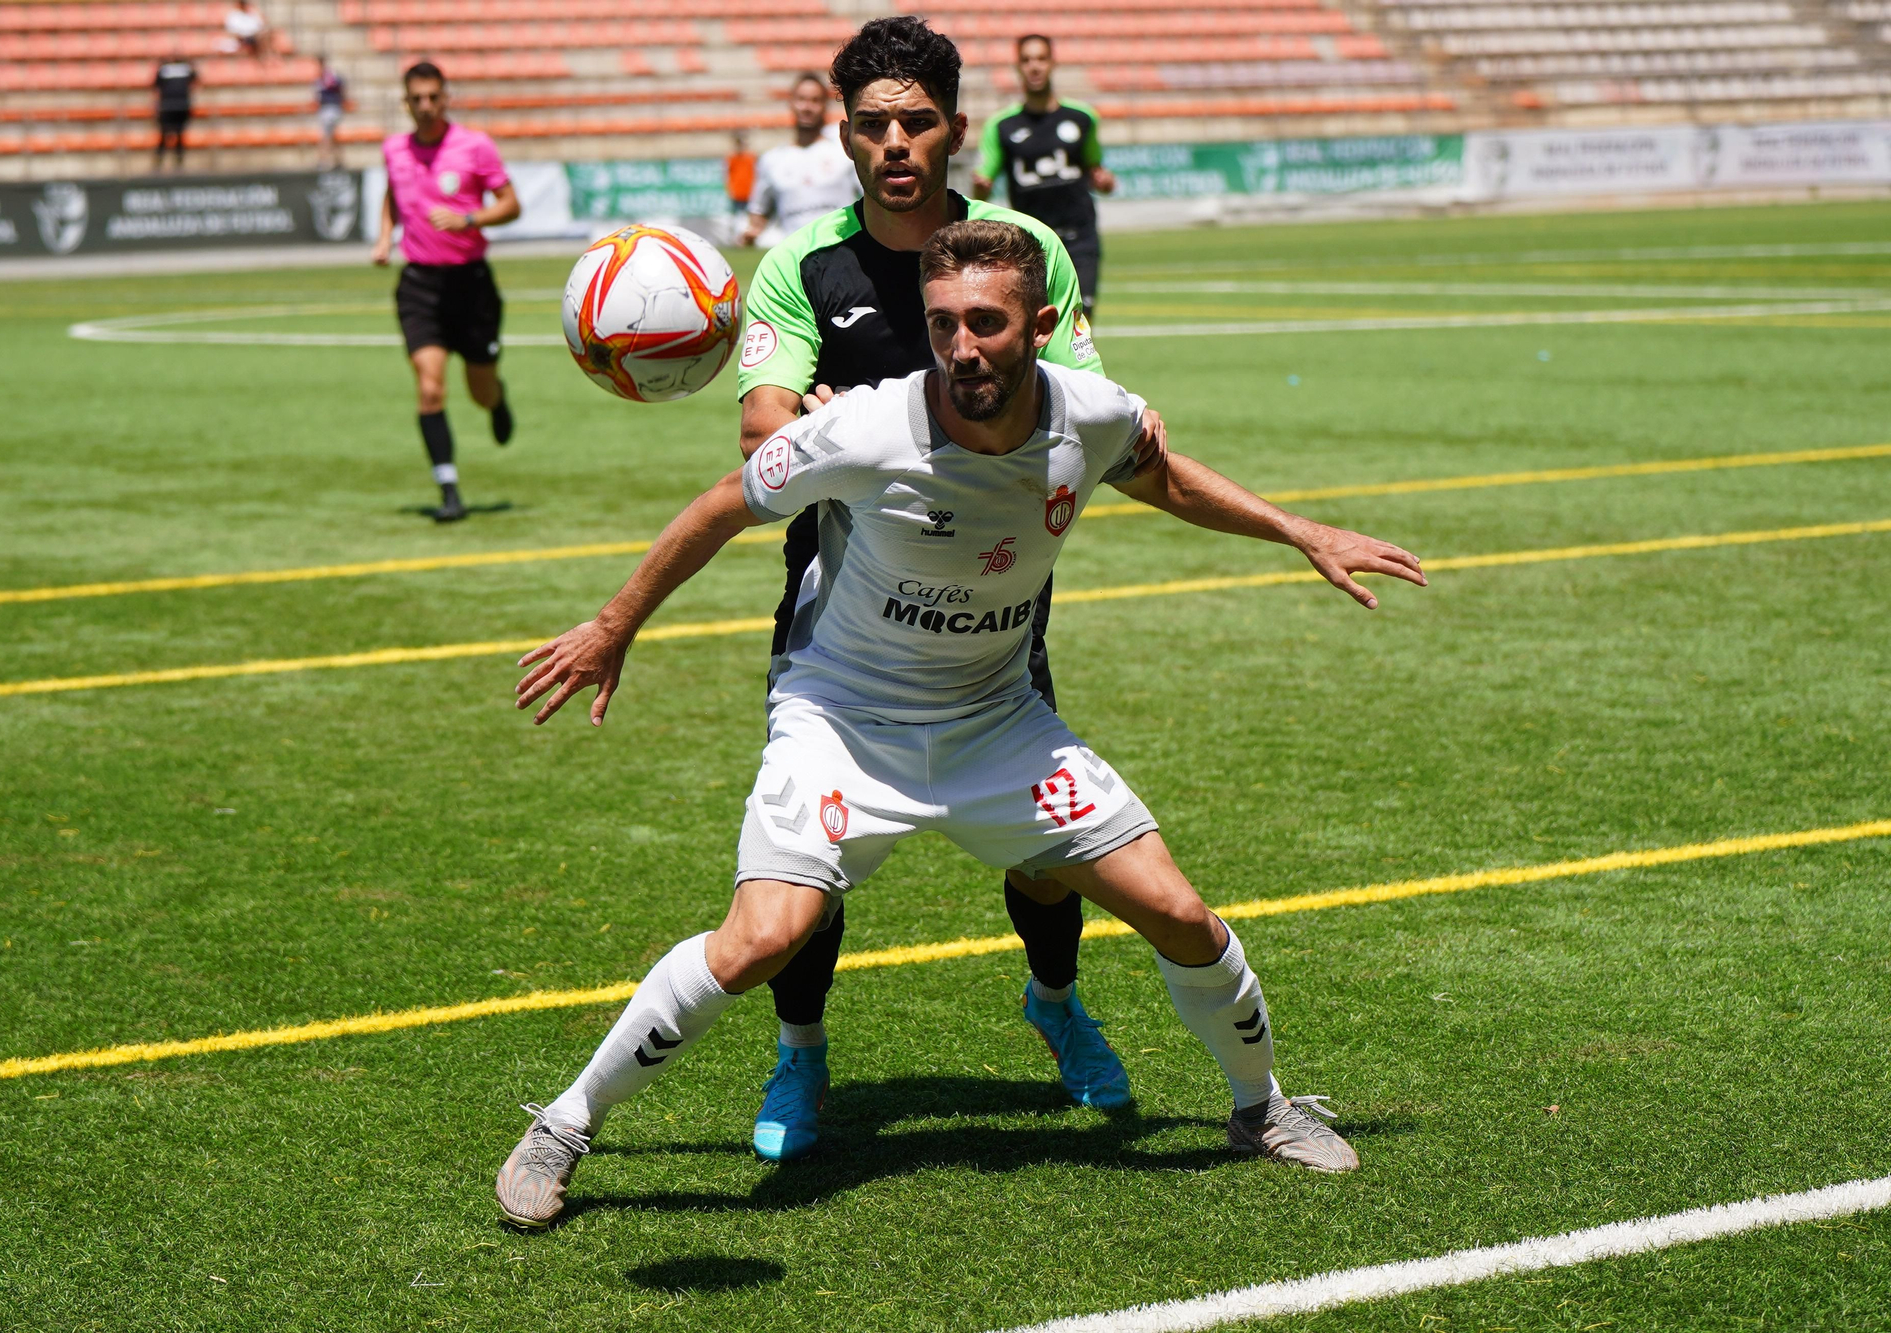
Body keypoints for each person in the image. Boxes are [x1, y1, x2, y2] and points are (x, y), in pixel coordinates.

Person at [494, 218, 1429, 1229]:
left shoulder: (1094, 415)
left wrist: (1300, 530)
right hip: (843, 720)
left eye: (985, 322)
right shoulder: (862, 428)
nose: (961, 347)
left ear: (1043, 323)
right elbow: (724, 502)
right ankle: (563, 1125)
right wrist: (613, 624)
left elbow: (1164, 475)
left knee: (1181, 917)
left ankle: (1261, 1110)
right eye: (943, 324)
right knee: (763, 936)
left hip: (995, 722)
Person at [732, 15, 1164, 1167]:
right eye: (872, 125)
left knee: (1043, 851)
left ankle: (1056, 1003)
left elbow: (1078, 389)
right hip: (837, 610)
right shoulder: (800, 266)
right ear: (845, 135)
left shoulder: (1020, 249)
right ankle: (803, 1050)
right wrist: (806, 419)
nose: (894, 144)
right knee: (808, 871)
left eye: (915, 121)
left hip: (992, 599)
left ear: (952, 129)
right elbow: (758, 420)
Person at [370, 61, 522, 523]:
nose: (426, 107)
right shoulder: (394, 149)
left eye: (433, 97)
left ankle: (497, 399)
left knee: (479, 390)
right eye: (417, 99)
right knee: (430, 389)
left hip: (471, 285)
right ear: (406, 102)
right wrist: (384, 236)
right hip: (419, 285)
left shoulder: (475, 146)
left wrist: (469, 219)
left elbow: (512, 205)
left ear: (446, 97)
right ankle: (449, 489)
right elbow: (394, 195)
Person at [971, 35, 1116, 315]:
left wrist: (1105, 181)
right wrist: (981, 185)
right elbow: (982, 186)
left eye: (1040, 58)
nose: (1034, 66)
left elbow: (1096, 171)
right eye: (1026, 60)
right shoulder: (1001, 126)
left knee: (1079, 319)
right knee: (1035, 324)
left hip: (1079, 239)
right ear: (1018, 67)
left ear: (1052, 63)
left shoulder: (1083, 118)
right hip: (1030, 243)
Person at [737, 73, 860, 248]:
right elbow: (759, 212)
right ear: (791, 103)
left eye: (815, 100)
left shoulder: (845, 152)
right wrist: (751, 232)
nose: (807, 107)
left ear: (825, 105)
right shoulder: (772, 160)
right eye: (801, 99)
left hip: (842, 250)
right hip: (794, 257)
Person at [153, 56, 197, 172]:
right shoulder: (165, 69)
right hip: (168, 106)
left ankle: (178, 164)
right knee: (165, 135)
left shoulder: (169, 69)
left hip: (179, 106)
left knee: (179, 135)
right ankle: (160, 163)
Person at [314, 57, 347, 169]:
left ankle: (324, 161)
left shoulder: (329, 77)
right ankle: (338, 160)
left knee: (326, 136)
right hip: (330, 108)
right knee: (332, 136)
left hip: (330, 108)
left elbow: (340, 86)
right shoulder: (321, 78)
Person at [725, 131, 757, 222]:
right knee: (736, 219)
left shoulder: (750, 157)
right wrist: (730, 189)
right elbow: (728, 174)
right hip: (737, 194)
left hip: (749, 193)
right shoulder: (732, 158)